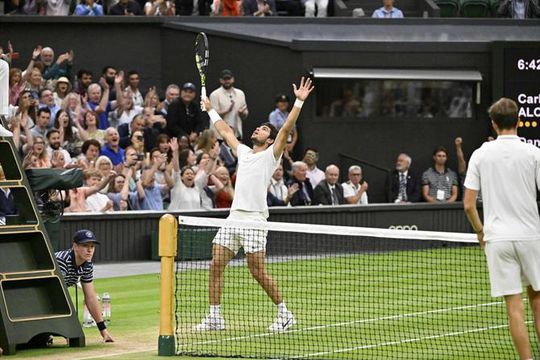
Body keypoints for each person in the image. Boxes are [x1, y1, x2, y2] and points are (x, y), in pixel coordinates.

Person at [195, 76, 313, 332]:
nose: (258, 130)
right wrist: (211, 109)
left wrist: (298, 103)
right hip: (234, 218)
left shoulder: (272, 155)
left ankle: (285, 314)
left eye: (263, 130)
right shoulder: (244, 152)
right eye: (258, 128)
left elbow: (285, 129)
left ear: (270, 140)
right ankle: (215, 317)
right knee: (215, 264)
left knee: (257, 271)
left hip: (255, 220)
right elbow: (226, 131)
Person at [463, 98, 540, 360]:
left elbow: (469, 205)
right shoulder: (534, 153)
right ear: (517, 121)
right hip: (531, 237)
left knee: (514, 306)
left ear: (494, 124)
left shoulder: (480, 154)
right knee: (538, 302)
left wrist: (481, 231)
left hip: (498, 240)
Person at [55, 230, 114, 342]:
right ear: (75, 247)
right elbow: (57, 295)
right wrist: (68, 330)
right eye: (85, 246)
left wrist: (103, 331)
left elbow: (90, 297)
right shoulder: (61, 261)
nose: (89, 250)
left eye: (92, 246)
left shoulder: (87, 264)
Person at [209, 69, 248, 140]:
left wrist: (242, 113)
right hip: (220, 135)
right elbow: (213, 115)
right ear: (221, 80)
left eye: (229, 78)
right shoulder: (215, 95)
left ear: (233, 79)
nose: (227, 81)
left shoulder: (240, 94)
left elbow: (245, 114)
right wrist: (226, 111)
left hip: (236, 134)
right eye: (224, 79)